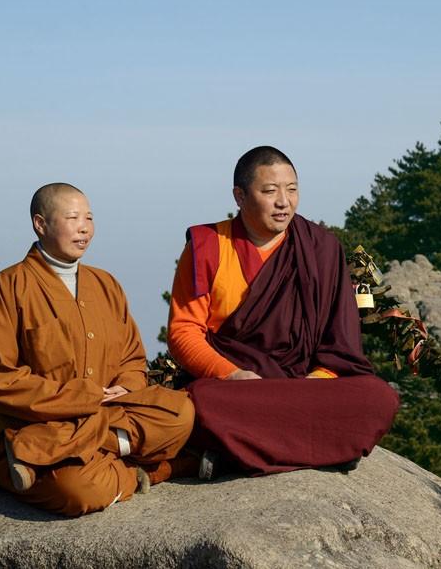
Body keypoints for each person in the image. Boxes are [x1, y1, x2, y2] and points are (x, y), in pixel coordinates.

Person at [167, 146, 399, 476]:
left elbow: (340, 346)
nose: (283, 202)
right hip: (238, 385)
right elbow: (183, 332)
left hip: (304, 385)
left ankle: (235, 452)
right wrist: (232, 375)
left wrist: (313, 384)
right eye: (269, 191)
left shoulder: (321, 248)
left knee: (379, 397)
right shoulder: (209, 245)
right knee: (200, 400)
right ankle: (322, 448)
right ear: (240, 196)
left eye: (292, 190)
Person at [0, 183, 196, 516]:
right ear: (40, 224)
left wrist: (128, 385)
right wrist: (79, 398)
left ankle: (43, 452)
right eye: (73, 217)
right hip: (41, 422)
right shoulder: (8, 288)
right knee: (78, 492)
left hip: (108, 412)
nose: (84, 228)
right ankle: (154, 470)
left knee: (181, 413)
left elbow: (133, 358)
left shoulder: (105, 284)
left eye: (89, 218)